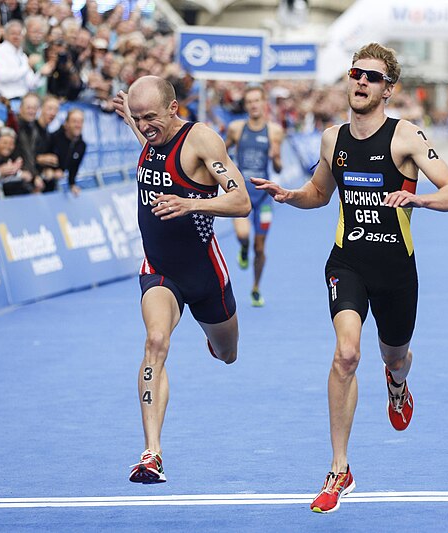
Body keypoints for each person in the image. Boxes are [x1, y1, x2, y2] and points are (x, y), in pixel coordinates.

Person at [251, 43, 448, 513]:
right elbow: (319, 193)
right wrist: (291, 195)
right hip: (347, 262)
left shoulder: (406, 137)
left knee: (395, 355)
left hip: (395, 270)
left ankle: (397, 383)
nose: (362, 82)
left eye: (372, 77)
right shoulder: (332, 139)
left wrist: (419, 200)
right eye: (356, 74)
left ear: (389, 88)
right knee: (346, 354)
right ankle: (338, 468)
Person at [111, 76, 251, 484]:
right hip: (159, 270)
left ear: (173, 109)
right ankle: (151, 453)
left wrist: (190, 203)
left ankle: (213, 338)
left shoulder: (202, 140)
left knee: (228, 354)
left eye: (150, 117)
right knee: (156, 341)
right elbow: (153, 148)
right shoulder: (149, 137)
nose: (143, 126)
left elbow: (240, 200)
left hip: (205, 274)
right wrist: (133, 121)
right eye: (137, 118)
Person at [224, 85, 284, 306]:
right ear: (246, 105)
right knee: (242, 235)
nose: (254, 105)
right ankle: (242, 247)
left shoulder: (275, 131)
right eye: (249, 102)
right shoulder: (236, 128)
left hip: (264, 198)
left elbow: (278, 168)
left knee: (260, 248)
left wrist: (276, 157)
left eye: (257, 100)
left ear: (264, 103)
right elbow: (220, 152)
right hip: (241, 195)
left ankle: (256, 288)